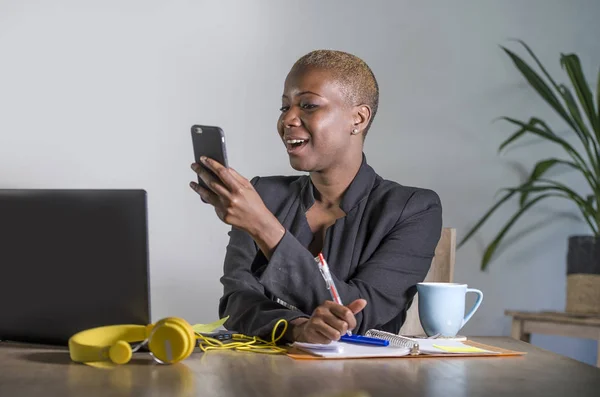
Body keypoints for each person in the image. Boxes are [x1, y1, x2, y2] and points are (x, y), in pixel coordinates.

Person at [189, 50, 442, 344]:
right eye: (284, 107)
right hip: (262, 378)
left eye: (308, 105)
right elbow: (235, 304)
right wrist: (296, 327)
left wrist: (264, 228)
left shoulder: (412, 209)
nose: (288, 120)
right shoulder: (262, 194)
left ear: (358, 119)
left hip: (364, 381)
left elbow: (354, 316)